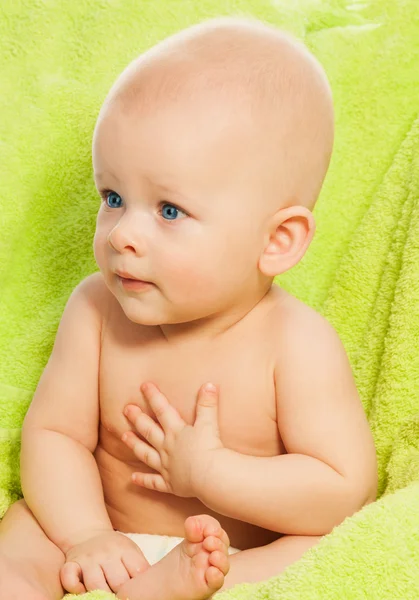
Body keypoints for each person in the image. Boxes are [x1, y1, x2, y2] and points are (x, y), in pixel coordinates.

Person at [0, 15, 378, 600]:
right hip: (101, 528)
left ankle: (176, 588)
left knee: (324, 549)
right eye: (113, 197)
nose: (123, 233)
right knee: (21, 535)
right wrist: (85, 534)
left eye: (169, 210)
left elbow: (342, 490)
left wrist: (210, 474)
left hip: (228, 556)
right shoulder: (96, 309)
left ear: (276, 241)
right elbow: (54, 435)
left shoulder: (296, 344)